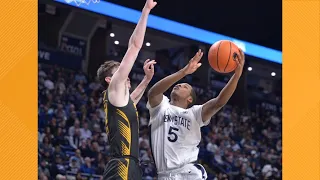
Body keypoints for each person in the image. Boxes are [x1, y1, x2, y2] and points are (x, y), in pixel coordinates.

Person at [147, 49, 245, 180]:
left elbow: (219, 102)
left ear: (189, 99)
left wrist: (236, 76)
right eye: (179, 83)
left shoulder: (195, 113)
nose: (179, 84)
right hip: (165, 175)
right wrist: (184, 72)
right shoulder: (161, 106)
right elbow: (153, 92)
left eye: (185, 86)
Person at [96, 0, 157, 179]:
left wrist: (146, 80)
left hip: (129, 165)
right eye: (119, 72)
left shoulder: (120, 101)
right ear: (110, 79)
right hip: (122, 165)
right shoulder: (114, 87)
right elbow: (135, 46)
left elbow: (133, 99)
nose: (126, 75)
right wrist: (145, 11)